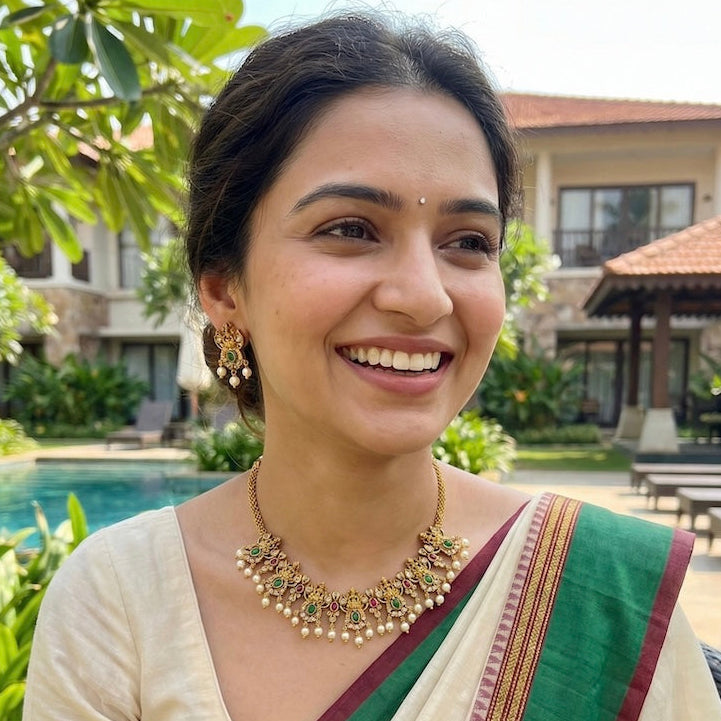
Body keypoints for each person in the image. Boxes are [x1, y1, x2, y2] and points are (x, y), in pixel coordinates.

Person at [23, 13, 721, 721]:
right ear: (224, 289)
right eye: (350, 229)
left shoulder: (603, 597)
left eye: (468, 241)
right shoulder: (120, 603)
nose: (423, 295)